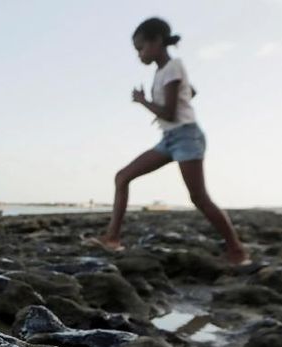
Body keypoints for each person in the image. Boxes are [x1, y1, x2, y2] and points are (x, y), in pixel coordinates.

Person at [89, 18, 248, 265]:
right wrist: (183, 92)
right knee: (123, 177)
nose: (139, 54)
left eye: (141, 48)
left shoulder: (173, 67)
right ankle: (112, 238)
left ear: (157, 42)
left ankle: (237, 251)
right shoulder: (165, 71)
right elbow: (191, 91)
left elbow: (170, 113)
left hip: (186, 136)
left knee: (199, 198)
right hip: (170, 139)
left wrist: (142, 100)